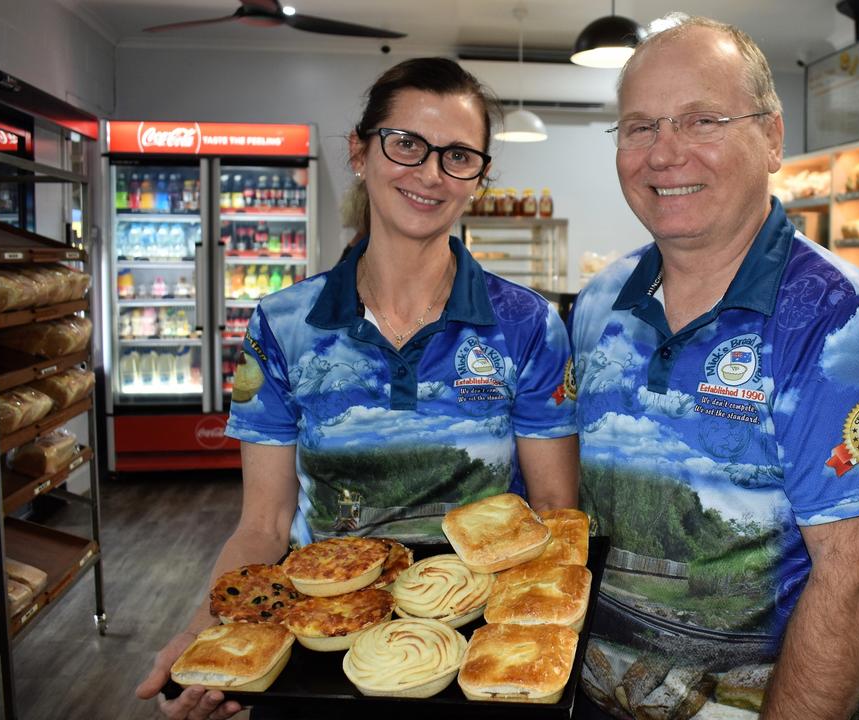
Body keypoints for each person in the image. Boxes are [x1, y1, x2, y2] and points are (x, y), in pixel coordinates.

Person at [136, 57, 578, 720]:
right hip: (321, 643)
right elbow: (262, 525)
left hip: (474, 654)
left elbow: (551, 511)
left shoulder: (530, 325)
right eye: (406, 144)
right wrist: (212, 630)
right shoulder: (278, 326)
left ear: (479, 177)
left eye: (457, 155)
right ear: (361, 151)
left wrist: (532, 650)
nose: (430, 174)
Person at [569, 16, 859, 720]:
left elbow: (858, 589)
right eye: (640, 127)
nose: (664, 154)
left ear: (772, 139)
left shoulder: (840, 327)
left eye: (701, 120)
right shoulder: (600, 303)